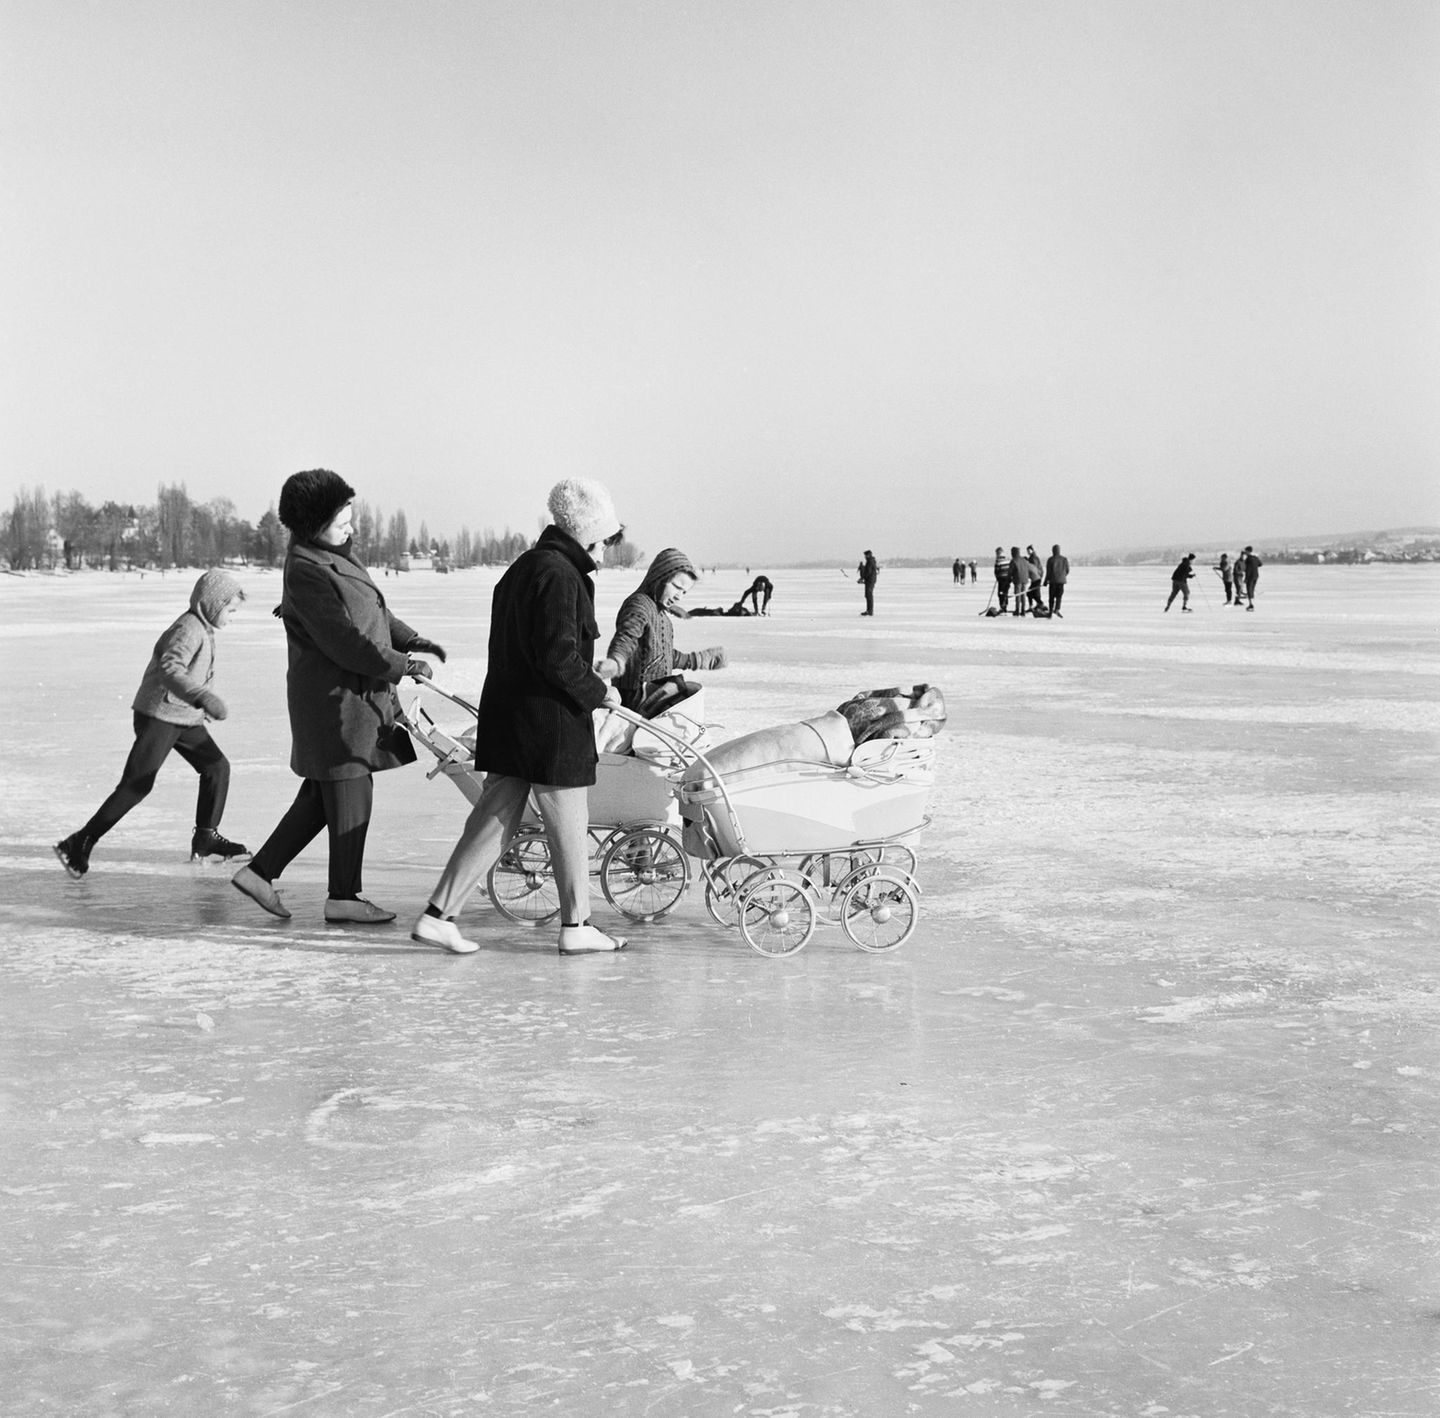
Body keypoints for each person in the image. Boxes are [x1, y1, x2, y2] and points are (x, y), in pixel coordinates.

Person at [409, 478, 627, 956]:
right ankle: (577, 924)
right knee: (569, 821)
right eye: (606, 541)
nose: (606, 553)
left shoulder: (524, 568)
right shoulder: (561, 575)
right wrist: (597, 691)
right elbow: (558, 656)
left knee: (495, 818)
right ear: (589, 533)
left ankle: (438, 915)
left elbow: (539, 649)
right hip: (550, 725)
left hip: (511, 718)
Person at [231, 470, 445, 925]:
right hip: (335, 701)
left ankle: (260, 873)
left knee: (324, 795)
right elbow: (344, 641)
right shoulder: (307, 571)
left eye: (350, 518)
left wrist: (412, 640)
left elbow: (374, 612)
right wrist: (401, 665)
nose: (351, 528)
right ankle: (343, 896)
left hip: (354, 696)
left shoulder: (333, 555)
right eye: (341, 522)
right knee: (350, 785)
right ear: (313, 525)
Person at [54, 570, 250, 877]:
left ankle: (205, 837)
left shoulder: (202, 627)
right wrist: (201, 697)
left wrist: (199, 706)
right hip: (159, 716)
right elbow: (170, 670)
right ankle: (79, 842)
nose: (230, 617)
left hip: (183, 717)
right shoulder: (189, 629)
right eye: (230, 610)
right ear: (212, 605)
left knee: (216, 767)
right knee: (137, 784)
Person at [597, 548, 727, 715]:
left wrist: (697, 660)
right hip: (637, 696)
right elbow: (628, 636)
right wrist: (617, 660)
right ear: (659, 578)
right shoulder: (639, 605)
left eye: (684, 592)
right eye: (676, 587)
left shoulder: (660, 613)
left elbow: (659, 655)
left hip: (656, 691)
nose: (679, 596)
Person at [1044, 544, 1070, 617]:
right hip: (1061, 581)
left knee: (1051, 597)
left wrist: (1045, 581)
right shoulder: (1064, 559)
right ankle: (1057, 609)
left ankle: (1050, 610)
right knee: (1059, 596)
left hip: (1053, 581)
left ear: (1053, 550)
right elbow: (1067, 570)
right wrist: (1063, 576)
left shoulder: (1050, 559)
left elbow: (1048, 572)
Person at [1239, 546, 1262, 610]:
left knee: (1249, 590)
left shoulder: (1248, 559)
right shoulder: (1255, 558)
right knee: (1251, 590)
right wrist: (1254, 566)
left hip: (1250, 576)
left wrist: (1246, 578)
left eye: (1246, 551)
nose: (1245, 552)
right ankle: (1251, 604)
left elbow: (1247, 569)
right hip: (1256, 575)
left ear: (1248, 551)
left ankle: (1251, 604)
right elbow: (1260, 564)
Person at [1008, 546, 1029, 615]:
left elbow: (1010, 572)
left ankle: (1017, 610)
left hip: (1018, 580)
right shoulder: (1024, 560)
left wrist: (1008, 579)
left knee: (1018, 595)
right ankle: (1023, 610)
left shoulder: (1013, 560)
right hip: (1025, 579)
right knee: (1023, 595)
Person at [857, 550, 878, 615]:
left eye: (865, 555)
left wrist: (862, 578)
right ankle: (869, 610)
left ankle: (870, 611)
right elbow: (867, 571)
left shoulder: (870, 561)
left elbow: (868, 572)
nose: (865, 557)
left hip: (870, 581)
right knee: (868, 595)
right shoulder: (870, 561)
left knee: (869, 595)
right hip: (870, 580)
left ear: (868, 555)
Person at [992, 547, 1011, 612]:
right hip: (1008, 579)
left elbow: (996, 571)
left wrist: (997, 577)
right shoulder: (1007, 560)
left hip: (1002, 579)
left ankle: (1002, 606)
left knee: (1001, 593)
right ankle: (1005, 605)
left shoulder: (998, 561)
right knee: (1005, 592)